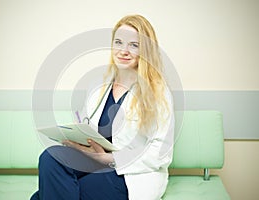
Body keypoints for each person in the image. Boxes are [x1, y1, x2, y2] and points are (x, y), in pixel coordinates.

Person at [30, 14, 174, 200]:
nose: (124, 51)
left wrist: (112, 159)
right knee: (50, 158)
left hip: (131, 173)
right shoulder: (100, 85)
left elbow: (161, 154)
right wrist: (82, 143)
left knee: (44, 196)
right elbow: (88, 126)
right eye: (119, 42)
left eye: (134, 45)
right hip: (96, 159)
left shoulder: (158, 92)